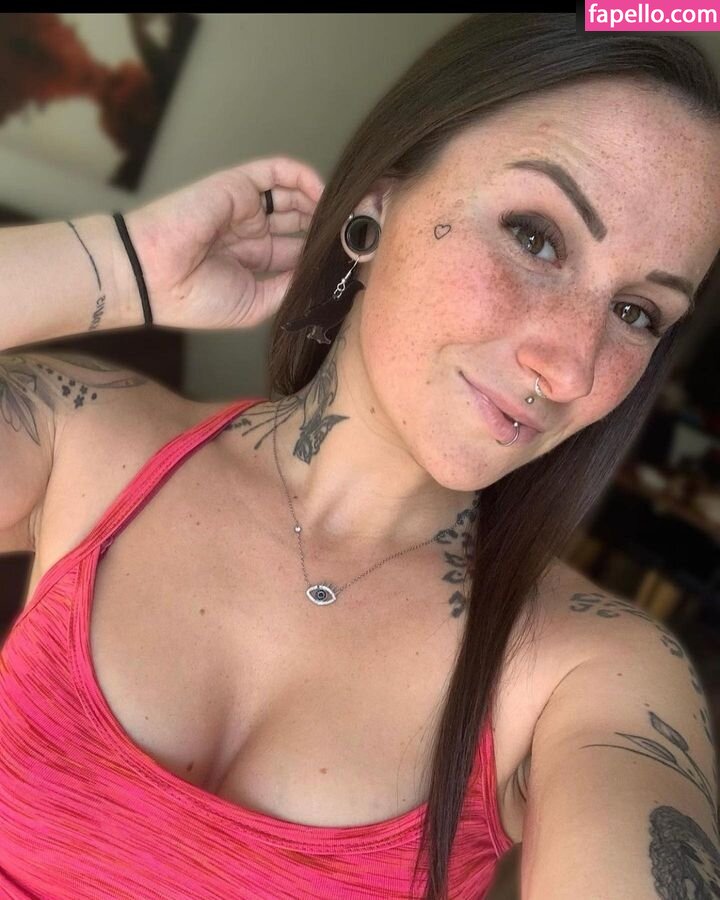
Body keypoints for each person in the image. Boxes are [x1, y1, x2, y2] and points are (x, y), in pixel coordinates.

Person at [0, 12, 719, 899]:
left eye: (639, 312)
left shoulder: (593, 672)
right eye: (536, 237)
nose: (570, 366)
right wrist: (122, 266)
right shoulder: (84, 438)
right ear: (376, 209)